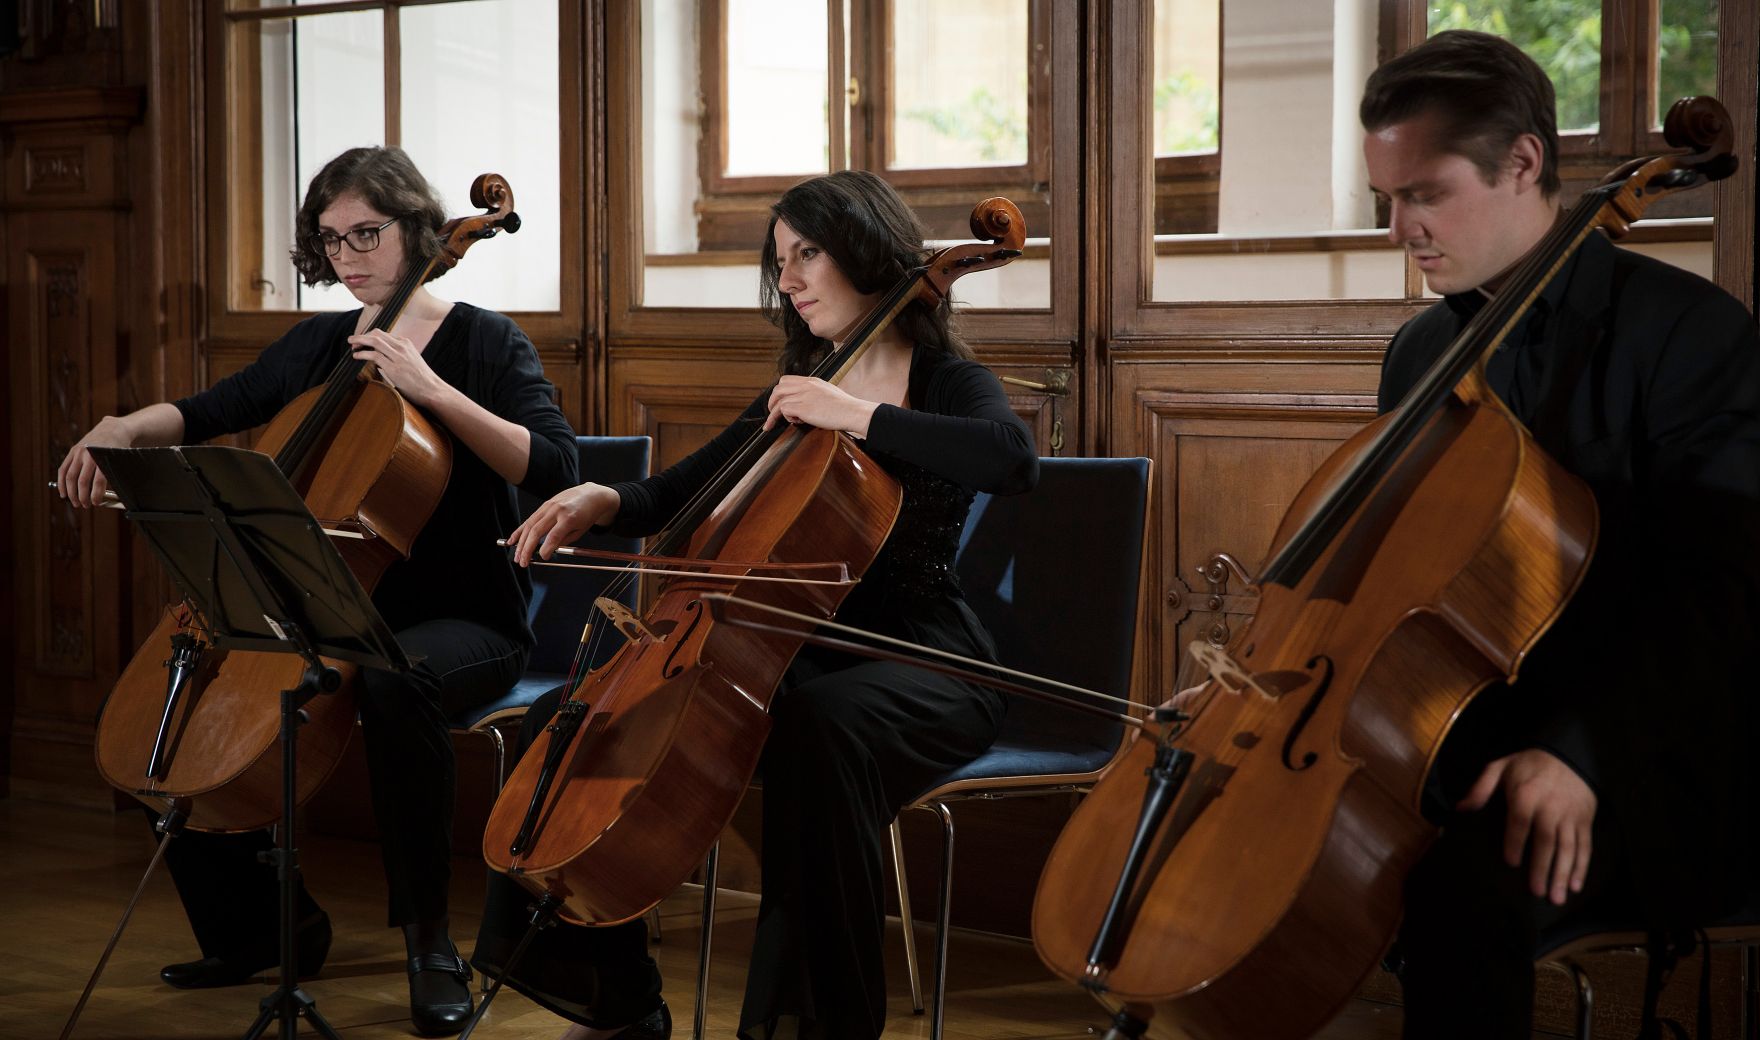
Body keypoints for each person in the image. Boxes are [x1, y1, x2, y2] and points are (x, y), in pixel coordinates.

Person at [471, 169, 1039, 1040]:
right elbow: (683, 491)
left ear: (866, 253)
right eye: (781, 260)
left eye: (808, 254)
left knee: (822, 731)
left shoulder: (943, 382)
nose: (789, 278)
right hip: (791, 652)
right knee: (570, 717)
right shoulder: (801, 383)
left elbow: (1011, 460)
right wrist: (603, 499)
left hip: (924, 659)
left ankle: (814, 1026)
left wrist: (853, 414)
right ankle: (616, 1003)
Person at [56, 145, 580, 1037]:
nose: (348, 255)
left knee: (397, 677)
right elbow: (212, 408)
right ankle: (262, 928)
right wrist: (123, 427)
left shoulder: (486, 342)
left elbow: (555, 466)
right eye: (331, 239)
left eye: (366, 233)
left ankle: (429, 943)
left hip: (464, 619)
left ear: (418, 228)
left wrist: (430, 388)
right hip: (318, 608)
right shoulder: (316, 346)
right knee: (178, 696)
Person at [1359, 31, 1760, 1039]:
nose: (1400, 227)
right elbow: (1380, 579)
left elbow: (1719, 598)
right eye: (1386, 199)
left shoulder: (1689, 334)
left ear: (1522, 162)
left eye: (1424, 193)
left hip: (1650, 749)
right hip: (1467, 729)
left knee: (1456, 882)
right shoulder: (1419, 353)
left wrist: (1580, 754)